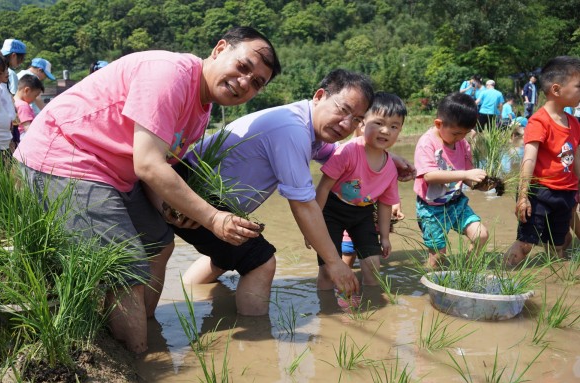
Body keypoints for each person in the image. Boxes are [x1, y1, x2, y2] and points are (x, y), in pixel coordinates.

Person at [12, 26, 282, 353]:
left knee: (159, 241)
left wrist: (168, 208)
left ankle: (143, 332)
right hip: (67, 156)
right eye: (243, 67)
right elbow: (148, 165)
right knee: (128, 266)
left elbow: (160, 167)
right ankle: (141, 359)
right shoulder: (171, 75)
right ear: (219, 49)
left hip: (115, 172)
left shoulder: (201, 109)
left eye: (256, 83)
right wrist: (214, 218)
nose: (244, 83)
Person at [168, 69, 416, 316]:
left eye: (356, 119)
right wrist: (334, 262)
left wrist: (389, 158)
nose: (346, 124)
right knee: (260, 262)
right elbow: (303, 204)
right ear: (320, 96)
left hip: (196, 183)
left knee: (229, 254)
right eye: (343, 110)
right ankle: (258, 339)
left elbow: (336, 154)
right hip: (192, 189)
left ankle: (189, 291)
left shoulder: (308, 125)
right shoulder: (293, 130)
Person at [312, 92, 405, 289]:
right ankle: (327, 311)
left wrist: (385, 237)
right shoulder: (348, 151)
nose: (386, 131)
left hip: (363, 212)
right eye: (378, 123)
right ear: (362, 124)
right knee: (329, 269)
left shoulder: (390, 167)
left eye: (394, 126)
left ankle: (374, 308)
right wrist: (313, 227)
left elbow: (386, 204)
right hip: (332, 210)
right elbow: (323, 187)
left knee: (373, 266)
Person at [504, 56, 580, 267]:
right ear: (556, 90)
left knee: (557, 246)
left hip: (565, 195)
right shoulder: (539, 121)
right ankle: (501, 280)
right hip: (540, 193)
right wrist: (523, 196)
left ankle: (555, 285)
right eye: (578, 86)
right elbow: (528, 160)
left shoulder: (573, 123)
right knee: (525, 243)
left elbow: (576, 160)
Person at [414, 92, 490, 269]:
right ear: (439, 124)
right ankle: (428, 284)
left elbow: (469, 177)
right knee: (438, 255)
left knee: (481, 235)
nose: (460, 138)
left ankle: (467, 270)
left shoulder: (463, 144)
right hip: (431, 209)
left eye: (465, 133)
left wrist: (482, 184)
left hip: (456, 202)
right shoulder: (427, 143)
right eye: (456, 133)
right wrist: (464, 175)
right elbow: (429, 176)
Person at [13, 74, 44, 140]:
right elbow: (27, 126)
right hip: (24, 136)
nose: (34, 99)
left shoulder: (13, 102)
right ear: (27, 90)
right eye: (35, 96)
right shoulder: (23, 105)